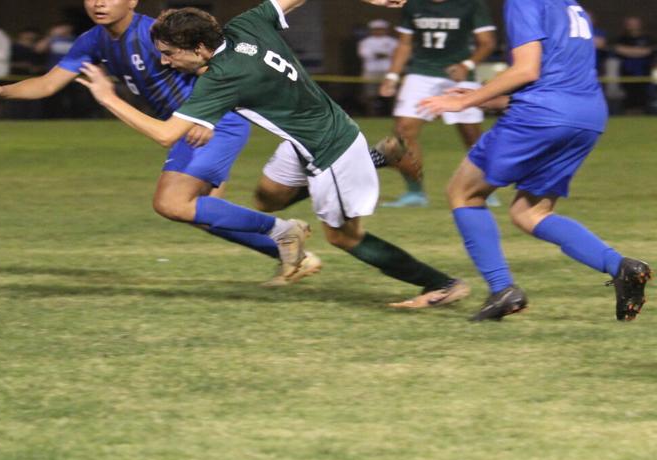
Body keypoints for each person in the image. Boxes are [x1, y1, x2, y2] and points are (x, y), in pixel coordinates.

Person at [74, 0, 470, 307]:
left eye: (170, 53)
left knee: (344, 237)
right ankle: (377, 158)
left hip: (328, 149)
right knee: (266, 199)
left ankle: (441, 284)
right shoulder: (247, 23)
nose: (165, 61)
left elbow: (165, 135)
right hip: (305, 138)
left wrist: (108, 97)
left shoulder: (222, 77)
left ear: (199, 48)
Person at [0, 0, 296, 281]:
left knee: (174, 203)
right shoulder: (92, 40)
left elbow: (214, 66)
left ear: (133, 1)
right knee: (199, 212)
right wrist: (0, 91)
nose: (98, 3)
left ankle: (283, 232)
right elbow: (48, 84)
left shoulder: (156, 35)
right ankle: (292, 254)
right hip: (185, 128)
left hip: (214, 124)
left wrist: (209, 116)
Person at [421, 0, 652, 322]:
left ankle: (503, 290)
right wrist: (491, 98)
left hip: (542, 116)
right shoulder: (571, 6)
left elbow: (527, 69)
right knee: (530, 212)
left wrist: (468, 101)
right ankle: (622, 268)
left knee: (464, 193)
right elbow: (556, 74)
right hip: (587, 116)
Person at [377, 0, 499, 208]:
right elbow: (405, 43)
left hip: (459, 74)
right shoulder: (412, 4)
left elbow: (487, 42)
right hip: (421, 72)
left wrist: (467, 64)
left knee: (471, 135)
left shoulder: (472, 4)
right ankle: (415, 192)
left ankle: (483, 188)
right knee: (403, 130)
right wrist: (392, 75)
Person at [612, 17, 653, 115]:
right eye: (630, 24)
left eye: (635, 23)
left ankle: (641, 113)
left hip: (643, 70)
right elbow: (618, 49)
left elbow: (649, 50)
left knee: (642, 93)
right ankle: (628, 113)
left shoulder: (647, 37)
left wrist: (629, 51)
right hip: (626, 70)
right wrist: (639, 52)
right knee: (628, 94)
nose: (633, 26)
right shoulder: (622, 38)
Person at [357, 20, 398, 117]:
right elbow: (364, 54)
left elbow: (396, 54)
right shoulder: (365, 42)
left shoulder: (392, 41)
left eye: (381, 29)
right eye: (376, 29)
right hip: (371, 70)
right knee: (370, 94)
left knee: (391, 93)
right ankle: (371, 114)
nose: (378, 31)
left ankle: (392, 114)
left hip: (388, 70)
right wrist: (380, 54)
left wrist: (381, 54)